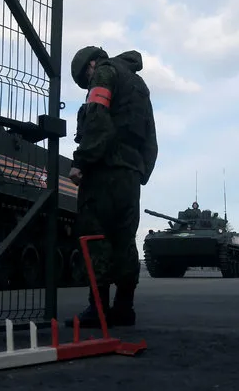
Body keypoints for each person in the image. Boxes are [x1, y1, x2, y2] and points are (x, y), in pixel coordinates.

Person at [69, 45, 158, 328]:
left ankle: (97, 309)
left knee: (96, 237)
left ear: (91, 64)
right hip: (130, 173)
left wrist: (82, 161)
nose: (89, 82)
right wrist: (141, 170)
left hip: (104, 169)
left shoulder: (105, 72)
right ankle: (124, 308)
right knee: (124, 238)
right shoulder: (139, 84)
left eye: (86, 77)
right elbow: (151, 136)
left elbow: (97, 118)